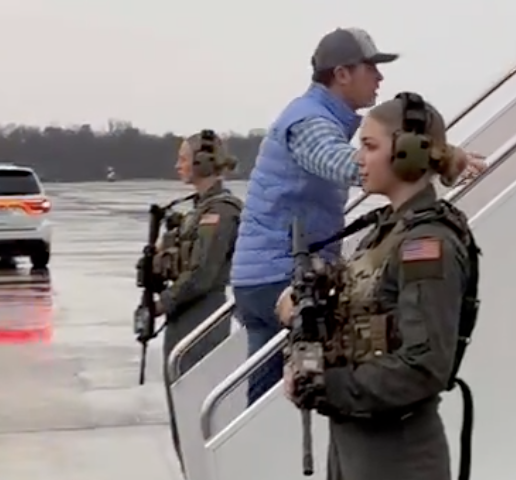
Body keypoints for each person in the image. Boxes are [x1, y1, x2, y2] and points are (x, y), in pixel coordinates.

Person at [232, 27, 487, 404]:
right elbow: (346, 165)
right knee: (287, 393)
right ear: (342, 74)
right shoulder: (309, 121)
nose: (379, 77)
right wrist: (440, 156)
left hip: (262, 273)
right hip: (277, 275)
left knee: (268, 397)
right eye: (371, 68)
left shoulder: (315, 116)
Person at [277, 93, 479, 480]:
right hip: (355, 442)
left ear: (408, 154)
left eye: (370, 146)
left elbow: (423, 367)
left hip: (395, 456)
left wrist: (327, 385)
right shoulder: (385, 231)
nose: (359, 158)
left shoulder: (426, 245)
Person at [139, 129, 243, 471]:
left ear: (202, 162)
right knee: (181, 412)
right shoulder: (196, 212)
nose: (178, 165)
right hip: (184, 317)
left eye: (183, 158)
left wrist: (161, 304)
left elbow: (202, 275)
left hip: (202, 317)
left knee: (194, 406)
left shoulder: (219, 212)